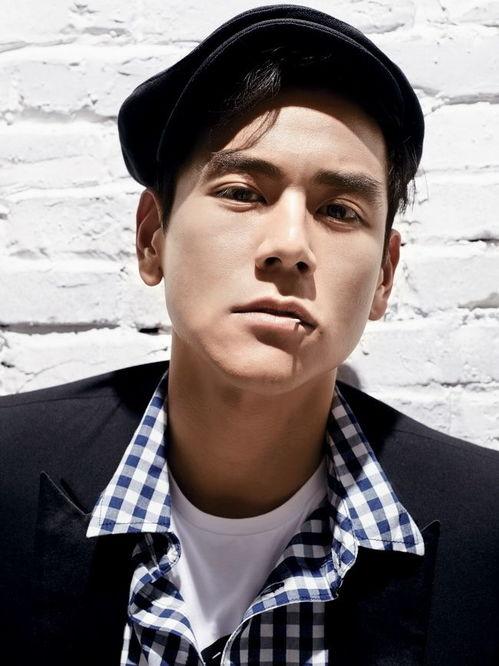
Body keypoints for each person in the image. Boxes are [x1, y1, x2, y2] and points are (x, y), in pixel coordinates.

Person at [0, 4, 498, 665]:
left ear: (384, 274)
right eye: (241, 193)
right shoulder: (8, 472)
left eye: (338, 210)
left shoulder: (484, 530)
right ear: (152, 238)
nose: (289, 245)